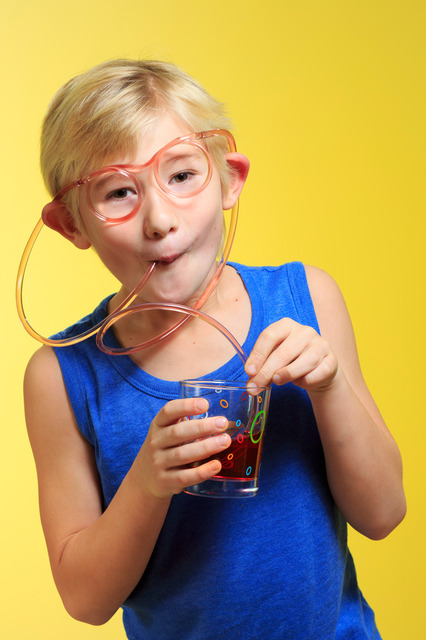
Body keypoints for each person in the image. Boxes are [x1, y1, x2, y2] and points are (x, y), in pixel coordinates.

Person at [23, 59, 406, 640]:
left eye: (181, 175)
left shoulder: (307, 300)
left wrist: (330, 389)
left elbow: (384, 514)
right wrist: (147, 483)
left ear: (229, 179)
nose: (159, 220)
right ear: (71, 224)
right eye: (119, 192)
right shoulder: (62, 377)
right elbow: (85, 600)